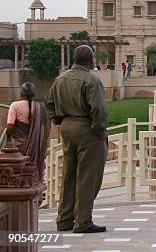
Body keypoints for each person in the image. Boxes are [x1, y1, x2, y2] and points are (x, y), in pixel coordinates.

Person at [46, 45, 108, 233]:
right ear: (91, 60)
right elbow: (98, 109)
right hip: (86, 128)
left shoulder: (60, 79)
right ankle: (83, 221)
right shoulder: (91, 80)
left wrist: (57, 119)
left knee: (69, 174)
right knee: (87, 176)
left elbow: (48, 103)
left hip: (66, 127)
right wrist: (100, 130)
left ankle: (64, 219)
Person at [4, 82, 50, 183]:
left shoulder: (15, 105)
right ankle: (33, 187)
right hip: (35, 147)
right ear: (34, 94)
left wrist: (7, 137)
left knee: (18, 171)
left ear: (21, 93)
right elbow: (45, 129)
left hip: (18, 145)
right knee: (32, 170)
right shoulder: (39, 107)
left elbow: (10, 126)